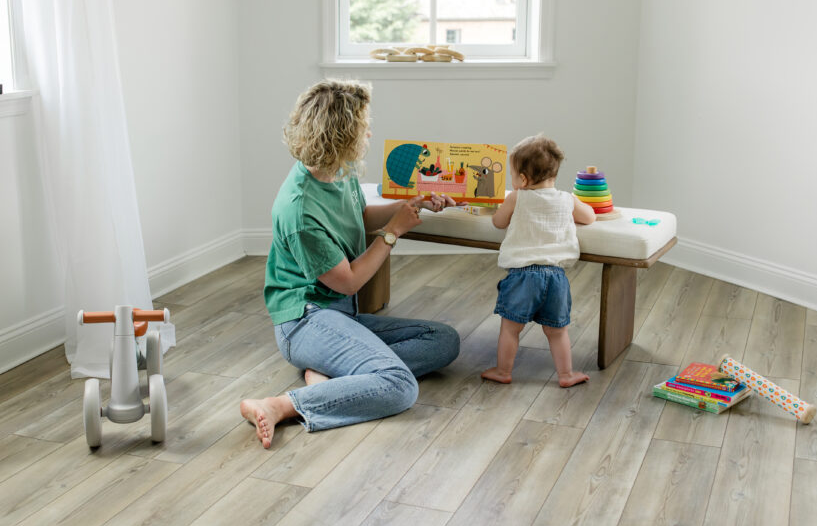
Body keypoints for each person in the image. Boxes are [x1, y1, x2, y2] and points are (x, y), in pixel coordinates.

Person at [240, 79, 461, 447]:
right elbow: (348, 282)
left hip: (341, 315)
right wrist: (394, 232)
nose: (369, 132)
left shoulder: (337, 171)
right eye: (362, 126)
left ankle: (330, 372)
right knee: (400, 386)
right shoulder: (299, 210)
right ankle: (281, 405)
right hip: (306, 321)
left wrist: (412, 205)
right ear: (341, 136)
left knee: (443, 340)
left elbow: (358, 216)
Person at [481, 135, 596, 388]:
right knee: (558, 331)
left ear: (522, 179)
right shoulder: (567, 199)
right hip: (556, 277)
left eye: (513, 175)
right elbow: (589, 218)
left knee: (511, 328)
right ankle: (566, 375)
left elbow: (498, 222)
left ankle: (503, 371)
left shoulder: (517, 198)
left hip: (522, 275)